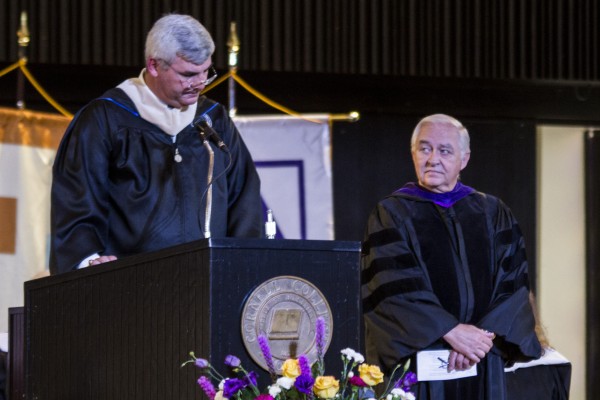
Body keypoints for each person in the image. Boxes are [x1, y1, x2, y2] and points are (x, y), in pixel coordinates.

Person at [50, 14, 262, 275]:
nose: (200, 84)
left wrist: (246, 265)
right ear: (153, 65)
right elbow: (77, 201)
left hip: (207, 283)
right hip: (128, 287)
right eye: (188, 74)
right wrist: (89, 261)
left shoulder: (213, 120)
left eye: (206, 72)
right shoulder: (106, 119)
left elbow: (244, 199)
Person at [361, 114, 542, 399]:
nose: (433, 158)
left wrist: (478, 341)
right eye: (425, 148)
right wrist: (451, 332)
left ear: (464, 158)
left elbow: (513, 286)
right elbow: (392, 289)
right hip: (424, 362)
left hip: (483, 359)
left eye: (444, 150)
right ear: (413, 153)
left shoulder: (493, 213)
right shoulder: (391, 214)